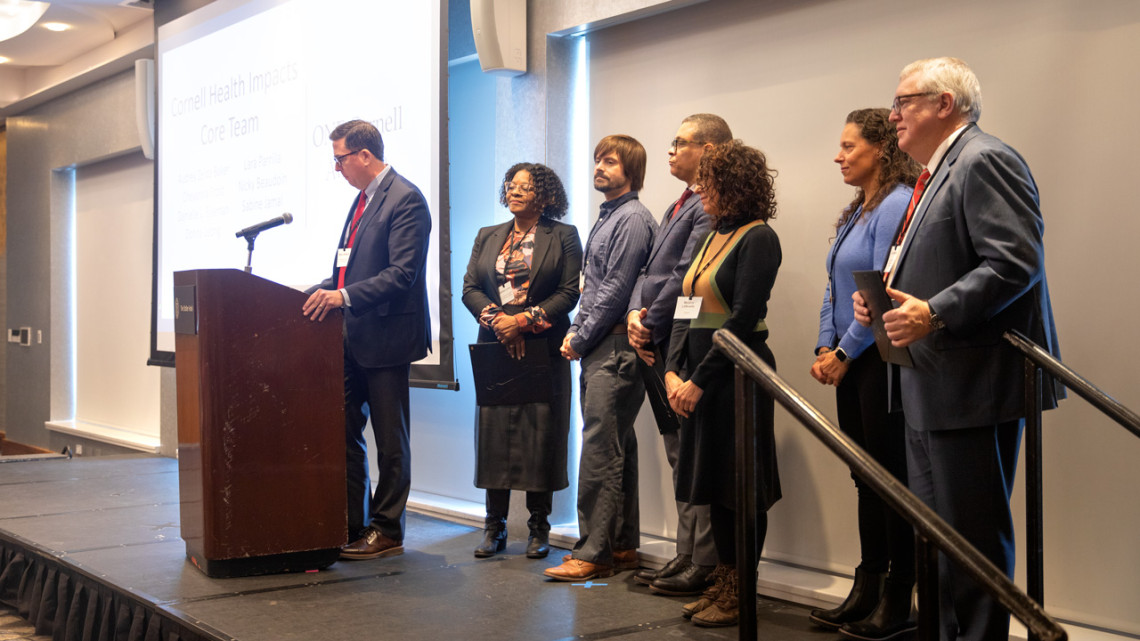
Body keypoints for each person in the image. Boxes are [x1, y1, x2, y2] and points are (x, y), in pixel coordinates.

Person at [853, 57, 1063, 641]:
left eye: (904, 101)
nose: (893, 114)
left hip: (973, 382)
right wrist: (887, 303)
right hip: (930, 378)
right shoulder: (932, 172)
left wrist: (935, 311)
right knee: (938, 540)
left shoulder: (984, 159)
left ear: (944, 104)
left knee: (969, 539)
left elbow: (1015, 262)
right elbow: (934, 263)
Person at [808, 108, 921, 640]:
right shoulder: (860, 207)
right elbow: (836, 286)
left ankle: (901, 595)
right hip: (850, 360)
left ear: (880, 149)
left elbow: (878, 291)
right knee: (864, 479)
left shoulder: (896, 203)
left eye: (849, 146)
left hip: (878, 362)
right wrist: (823, 344)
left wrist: (845, 354)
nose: (839, 155)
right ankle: (869, 583)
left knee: (888, 480)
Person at [303, 119, 432, 560]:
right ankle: (352, 522)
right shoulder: (361, 203)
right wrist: (312, 290)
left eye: (339, 159)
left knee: (391, 440)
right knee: (343, 433)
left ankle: (387, 529)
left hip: (387, 339)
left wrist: (341, 295)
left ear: (363, 155)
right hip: (350, 337)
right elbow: (348, 271)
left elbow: (402, 274)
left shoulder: (406, 199)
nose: (336, 168)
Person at [665, 140, 781, 628]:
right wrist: (672, 371)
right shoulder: (711, 234)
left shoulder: (759, 238)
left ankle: (741, 589)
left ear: (733, 186)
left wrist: (698, 381)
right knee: (712, 485)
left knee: (741, 487)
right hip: (696, 375)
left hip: (738, 375)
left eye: (707, 183)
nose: (700, 191)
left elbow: (741, 319)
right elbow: (684, 305)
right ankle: (724, 580)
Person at [627, 114, 733, 597]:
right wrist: (635, 312)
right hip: (660, 340)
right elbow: (651, 271)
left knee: (694, 456)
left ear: (710, 150)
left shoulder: (711, 206)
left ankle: (704, 561)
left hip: (683, 342)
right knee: (678, 453)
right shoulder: (680, 202)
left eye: (680, 143)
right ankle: (686, 553)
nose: (669, 151)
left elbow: (687, 274)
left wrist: (647, 322)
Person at [543, 135, 656, 582]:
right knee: (616, 445)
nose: (599, 168)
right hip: (600, 343)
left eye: (610, 161)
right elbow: (594, 286)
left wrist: (578, 336)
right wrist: (578, 330)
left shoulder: (632, 219)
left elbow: (614, 290)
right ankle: (623, 546)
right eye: (597, 160)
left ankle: (593, 553)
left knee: (599, 450)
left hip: (611, 347)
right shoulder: (609, 217)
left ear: (631, 170)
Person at [461, 163, 582, 560]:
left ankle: (538, 528)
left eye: (525, 188)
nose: (514, 192)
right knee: (494, 435)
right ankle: (493, 527)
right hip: (495, 345)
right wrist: (500, 323)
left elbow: (568, 293)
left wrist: (524, 322)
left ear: (545, 196)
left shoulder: (563, 236)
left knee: (540, 434)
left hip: (542, 347)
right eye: (511, 186)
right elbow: (470, 288)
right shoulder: (488, 235)